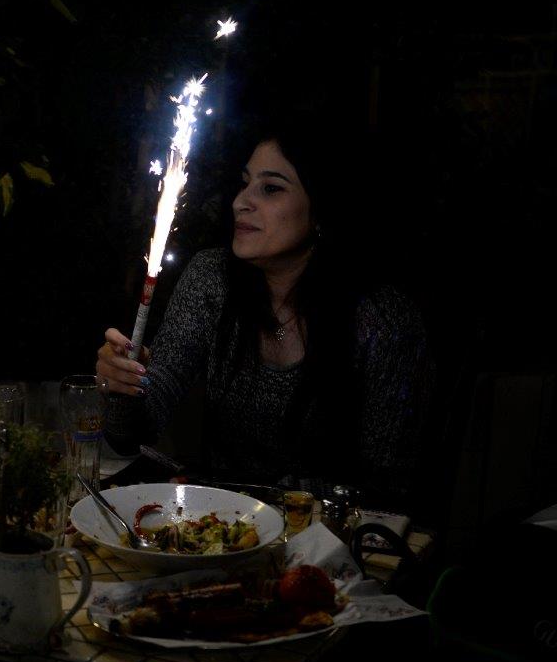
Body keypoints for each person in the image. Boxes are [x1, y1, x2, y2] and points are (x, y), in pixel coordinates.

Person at [97, 114, 434, 510]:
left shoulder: (383, 320)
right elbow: (133, 433)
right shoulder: (212, 280)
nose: (241, 202)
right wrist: (124, 386)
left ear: (320, 210)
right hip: (218, 527)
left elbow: (388, 486)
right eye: (245, 183)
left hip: (327, 534)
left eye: (271, 188)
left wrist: (265, 499)